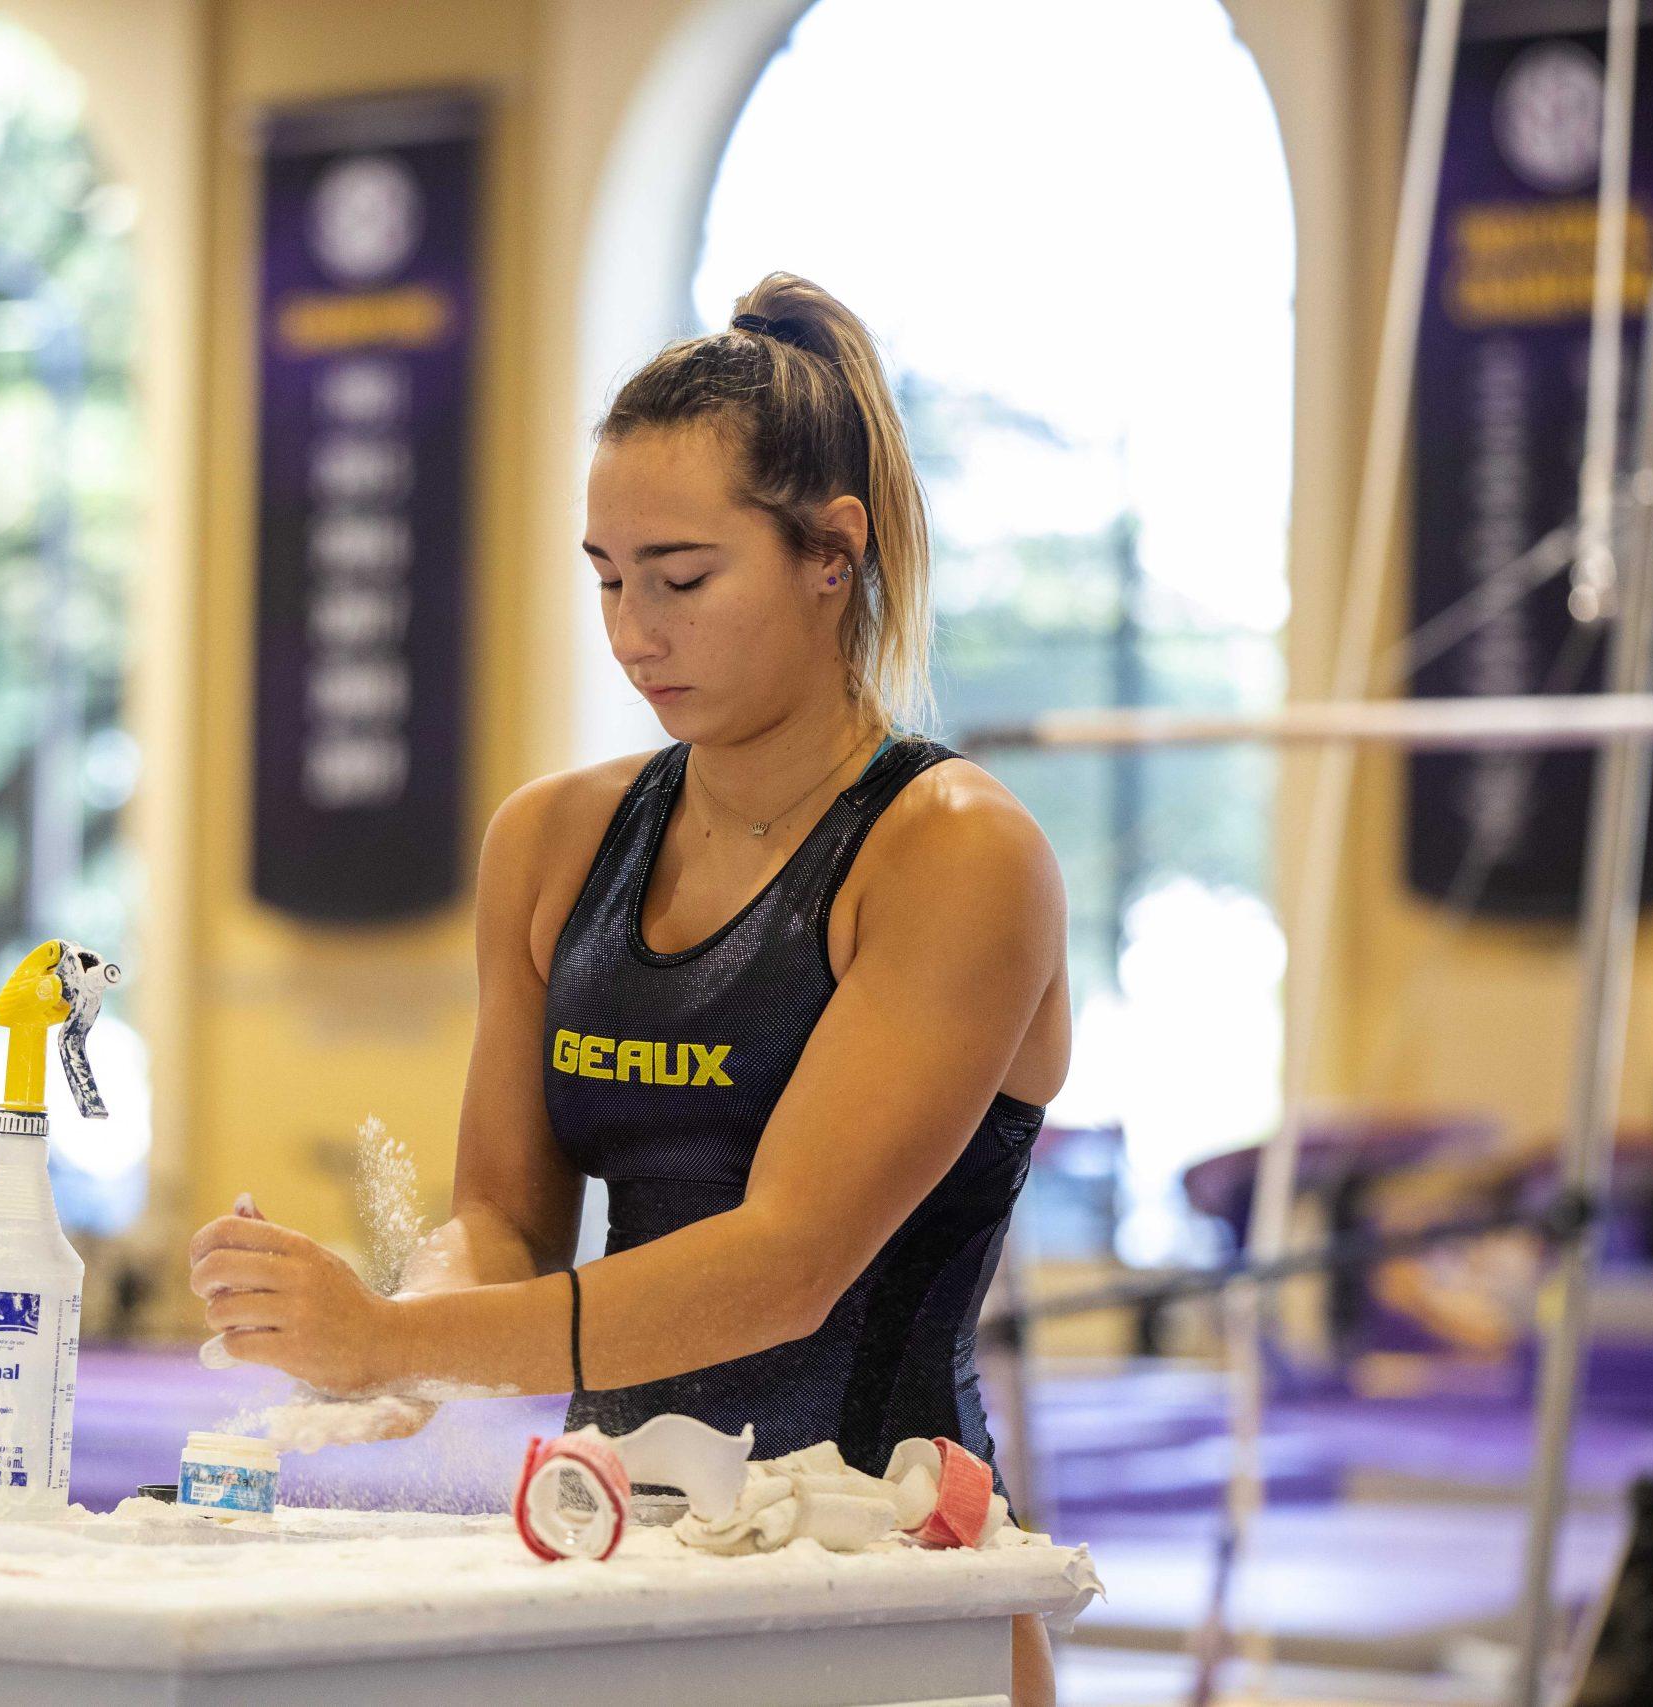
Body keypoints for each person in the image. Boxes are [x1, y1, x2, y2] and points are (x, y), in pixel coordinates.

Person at [190, 271, 1069, 1702]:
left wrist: (400, 1339)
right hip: (617, 1572)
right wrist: (401, 1324)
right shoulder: (553, 842)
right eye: (605, 576)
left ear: (830, 554)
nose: (633, 631)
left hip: (896, 1595)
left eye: (682, 577)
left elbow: (786, 1269)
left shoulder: (955, 856)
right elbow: (506, 1216)